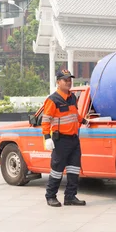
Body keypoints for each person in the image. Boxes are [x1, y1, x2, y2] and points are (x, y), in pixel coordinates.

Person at [42, 69, 88, 207]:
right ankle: (50, 196)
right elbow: (46, 120)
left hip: (74, 139)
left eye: (70, 80)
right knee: (57, 170)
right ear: (58, 82)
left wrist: (84, 121)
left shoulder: (72, 97)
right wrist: (46, 137)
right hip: (60, 140)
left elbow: (74, 115)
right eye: (65, 80)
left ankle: (70, 197)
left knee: (74, 169)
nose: (69, 82)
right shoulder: (53, 100)